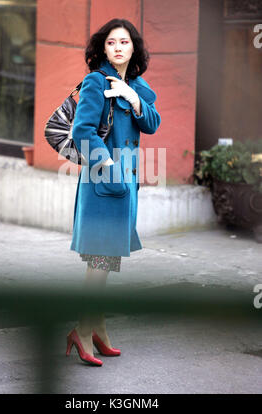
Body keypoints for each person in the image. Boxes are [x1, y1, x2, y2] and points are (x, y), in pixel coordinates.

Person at [66, 19, 161, 366]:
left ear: (133, 48)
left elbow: (151, 123)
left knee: (106, 262)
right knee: (99, 263)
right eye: (111, 43)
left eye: (124, 42)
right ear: (103, 49)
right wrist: (107, 164)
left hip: (125, 188)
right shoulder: (95, 82)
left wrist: (133, 98)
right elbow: (82, 131)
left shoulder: (135, 85)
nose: (118, 47)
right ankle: (81, 329)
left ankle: (98, 329)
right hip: (104, 185)